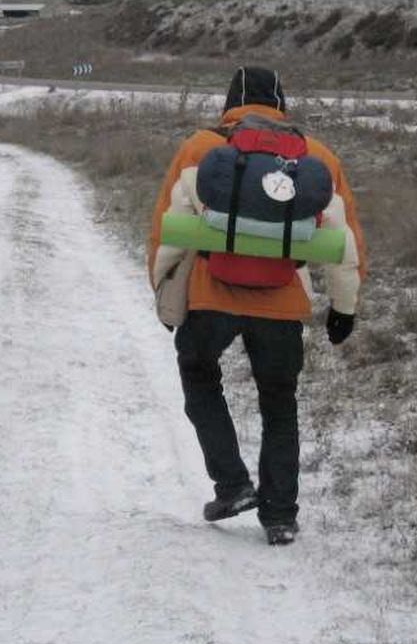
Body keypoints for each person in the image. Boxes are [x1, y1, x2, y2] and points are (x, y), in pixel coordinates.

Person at [146, 66, 366, 546]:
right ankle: (281, 516)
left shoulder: (201, 148)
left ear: (229, 102)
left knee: (199, 376)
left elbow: (168, 228)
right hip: (282, 301)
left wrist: (165, 293)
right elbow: (344, 239)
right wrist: (343, 308)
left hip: (211, 297)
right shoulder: (316, 155)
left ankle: (232, 484)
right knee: (279, 404)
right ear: (281, 103)